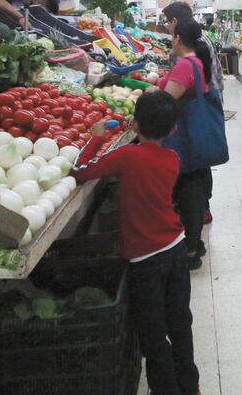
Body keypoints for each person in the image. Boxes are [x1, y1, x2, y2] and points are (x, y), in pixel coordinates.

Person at [71, 91, 200, 395]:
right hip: (176, 248)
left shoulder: (127, 157)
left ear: (135, 124)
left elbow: (80, 171)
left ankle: (165, 389)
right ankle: (190, 387)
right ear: (173, 129)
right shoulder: (172, 158)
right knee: (180, 324)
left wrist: (95, 138)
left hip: (145, 261)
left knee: (153, 335)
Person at [159, 18, 215, 269]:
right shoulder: (196, 62)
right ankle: (195, 243)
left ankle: (191, 248)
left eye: (172, 35)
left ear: (178, 38)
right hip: (194, 137)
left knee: (187, 192)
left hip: (184, 138)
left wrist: (151, 92)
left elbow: (166, 102)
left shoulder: (184, 65)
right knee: (193, 190)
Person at [163, 1, 223, 225]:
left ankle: (198, 211)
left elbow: (169, 98)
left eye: (168, 24)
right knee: (200, 162)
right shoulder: (200, 46)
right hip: (203, 109)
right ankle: (202, 207)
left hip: (193, 115)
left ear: (176, 28)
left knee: (192, 168)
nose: (168, 31)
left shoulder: (186, 62)